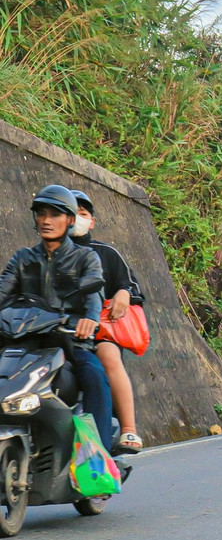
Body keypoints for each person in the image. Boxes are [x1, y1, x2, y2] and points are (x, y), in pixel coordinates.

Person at [0, 185, 114, 451]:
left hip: (69, 338)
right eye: (41, 213)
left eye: (55, 214)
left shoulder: (85, 257)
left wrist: (90, 319)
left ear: (70, 220)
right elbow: (3, 291)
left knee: (95, 376)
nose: (46, 220)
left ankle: (99, 454)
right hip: (25, 337)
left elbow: (94, 294)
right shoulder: (23, 258)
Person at [70, 189, 146, 453]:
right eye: (71, 213)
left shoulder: (105, 253)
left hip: (99, 330)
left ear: (91, 221)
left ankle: (129, 429)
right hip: (56, 330)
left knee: (108, 356)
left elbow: (131, 285)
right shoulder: (41, 255)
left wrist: (124, 293)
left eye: (83, 214)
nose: (77, 219)